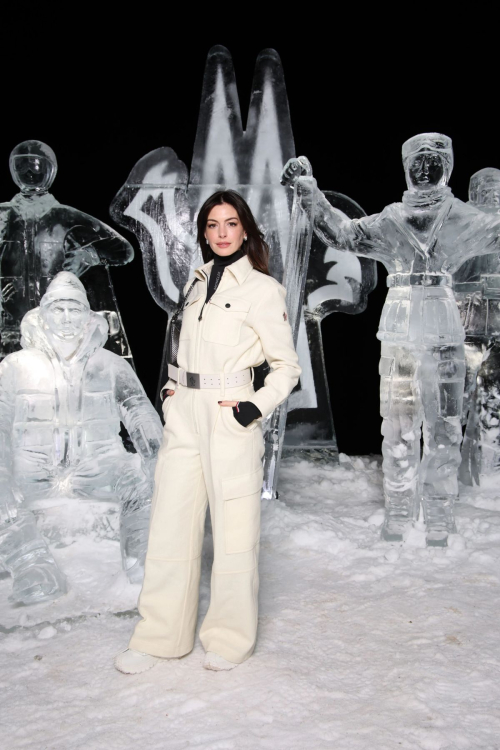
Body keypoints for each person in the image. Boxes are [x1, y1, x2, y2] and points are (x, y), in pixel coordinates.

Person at [281, 134, 500, 546]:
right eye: (416, 160)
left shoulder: (464, 218)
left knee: (445, 429)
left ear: (447, 166)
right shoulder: (392, 219)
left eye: (434, 160)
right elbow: (344, 234)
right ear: (405, 167)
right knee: (398, 427)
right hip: (399, 331)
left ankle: (438, 515)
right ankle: (399, 512)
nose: (424, 168)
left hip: (444, 330)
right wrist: (309, 193)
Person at [115, 190, 301, 673]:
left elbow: (286, 368)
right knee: (170, 525)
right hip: (185, 414)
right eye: (213, 224)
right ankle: (160, 636)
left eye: (231, 223)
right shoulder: (195, 285)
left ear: (245, 230)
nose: (222, 233)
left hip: (229, 414)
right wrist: (171, 392)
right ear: (203, 232)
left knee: (235, 530)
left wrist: (252, 408)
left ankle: (228, 638)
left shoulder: (263, 290)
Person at [0, 272, 163, 604]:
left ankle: (143, 557)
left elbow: (141, 414)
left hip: (100, 467)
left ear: (89, 317)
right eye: (57, 309)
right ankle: (32, 564)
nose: (66, 318)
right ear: (42, 315)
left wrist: (158, 456)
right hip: (33, 470)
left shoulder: (111, 365)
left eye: (74, 310)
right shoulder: (14, 366)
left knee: (145, 482)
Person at [0, 140, 134, 362]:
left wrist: (87, 256)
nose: (29, 172)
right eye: (21, 166)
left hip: (57, 322)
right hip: (8, 323)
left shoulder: (66, 217)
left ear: (50, 170)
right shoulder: (3, 214)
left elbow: (123, 250)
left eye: (35, 165)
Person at [454, 168, 500, 485]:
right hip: (466, 324)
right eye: (485, 190)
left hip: (495, 327)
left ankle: (488, 476)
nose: (491, 196)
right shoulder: (462, 228)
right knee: (456, 403)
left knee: (493, 402)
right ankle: (449, 475)